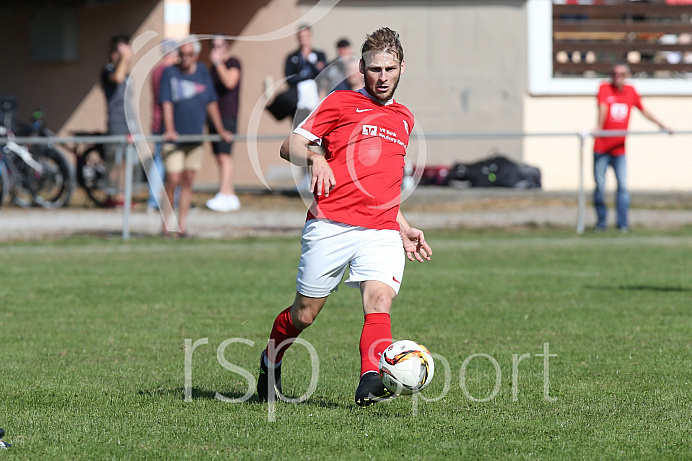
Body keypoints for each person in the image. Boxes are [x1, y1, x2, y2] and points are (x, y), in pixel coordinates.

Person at [256, 27, 432, 407]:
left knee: (379, 300)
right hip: (330, 225)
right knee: (304, 314)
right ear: (362, 69)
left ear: (402, 67)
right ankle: (271, 360)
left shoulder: (405, 119)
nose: (381, 77)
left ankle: (371, 377)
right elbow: (290, 146)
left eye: (389, 69)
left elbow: (380, 184)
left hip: (381, 230)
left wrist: (403, 226)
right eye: (374, 69)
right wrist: (317, 157)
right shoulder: (340, 103)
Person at [158, 37, 232, 237]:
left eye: (189, 54)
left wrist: (220, 129)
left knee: (188, 180)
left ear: (195, 55)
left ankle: (182, 227)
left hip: (195, 139)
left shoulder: (202, 72)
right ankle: (166, 226)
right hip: (175, 140)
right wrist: (170, 129)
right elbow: (166, 103)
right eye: (182, 54)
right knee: (173, 179)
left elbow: (211, 103)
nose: (185, 58)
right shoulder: (169, 73)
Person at [593, 62, 673, 232]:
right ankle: (601, 224)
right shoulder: (604, 87)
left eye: (621, 74)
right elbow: (603, 108)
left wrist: (662, 125)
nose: (617, 77)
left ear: (627, 76)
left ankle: (622, 224)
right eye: (614, 74)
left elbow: (644, 110)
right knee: (600, 187)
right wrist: (599, 128)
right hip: (601, 148)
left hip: (619, 149)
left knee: (622, 187)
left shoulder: (631, 91)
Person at [205, 34, 242, 212]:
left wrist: (219, 63)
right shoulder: (213, 67)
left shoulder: (233, 62)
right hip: (214, 117)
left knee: (224, 155)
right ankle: (230, 194)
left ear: (226, 46)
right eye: (213, 46)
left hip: (227, 116)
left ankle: (224, 193)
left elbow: (229, 82)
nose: (216, 49)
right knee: (219, 155)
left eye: (219, 45)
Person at [266, 25, 327, 126]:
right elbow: (289, 78)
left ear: (311, 37)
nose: (304, 39)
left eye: (306, 36)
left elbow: (322, 74)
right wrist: (307, 76)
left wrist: (311, 63)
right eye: (301, 37)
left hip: (315, 99)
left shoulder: (319, 55)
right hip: (298, 101)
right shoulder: (292, 57)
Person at [100, 35, 133, 208]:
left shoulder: (128, 73)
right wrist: (125, 58)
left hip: (129, 123)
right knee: (114, 161)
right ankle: (110, 195)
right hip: (116, 123)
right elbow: (117, 78)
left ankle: (122, 195)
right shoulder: (108, 70)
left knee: (126, 161)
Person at [147, 39, 178, 212]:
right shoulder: (169, 72)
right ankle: (164, 201)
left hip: (157, 122)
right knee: (169, 163)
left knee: (159, 160)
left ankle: (154, 200)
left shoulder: (156, 71)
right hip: (167, 124)